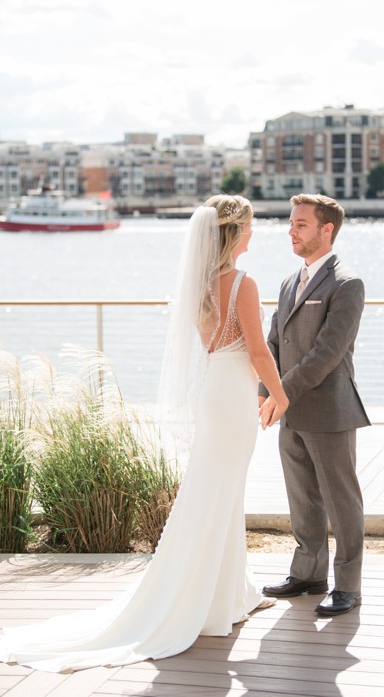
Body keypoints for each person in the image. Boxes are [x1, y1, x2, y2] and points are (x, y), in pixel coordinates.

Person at [0, 194, 289, 671]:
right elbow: (258, 352)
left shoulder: (199, 284)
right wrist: (281, 395)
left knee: (212, 490)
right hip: (235, 393)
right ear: (235, 233)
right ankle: (214, 600)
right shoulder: (242, 282)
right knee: (222, 491)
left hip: (216, 388)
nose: (254, 233)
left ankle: (228, 592)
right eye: (251, 226)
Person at [260, 193, 370, 617]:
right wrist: (263, 392)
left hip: (330, 410)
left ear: (327, 230)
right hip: (289, 408)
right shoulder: (290, 281)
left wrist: (279, 393)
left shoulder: (347, 283)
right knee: (302, 498)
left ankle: (348, 585)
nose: (291, 230)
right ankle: (308, 574)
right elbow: (272, 342)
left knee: (342, 501)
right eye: (291, 222)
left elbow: (326, 354)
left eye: (300, 224)